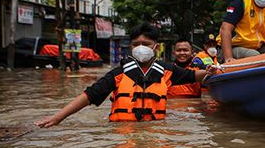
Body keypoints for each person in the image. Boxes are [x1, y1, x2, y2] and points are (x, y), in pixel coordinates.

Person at [35, 23, 213, 127]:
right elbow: (89, 95)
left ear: (155, 47)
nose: (141, 47)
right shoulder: (119, 73)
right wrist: (58, 117)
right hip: (121, 131)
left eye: (146, 43)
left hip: (156, 130)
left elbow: (195, 76)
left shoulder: (167, 71)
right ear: (131, 47)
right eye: (136, 43)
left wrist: (212, 71)